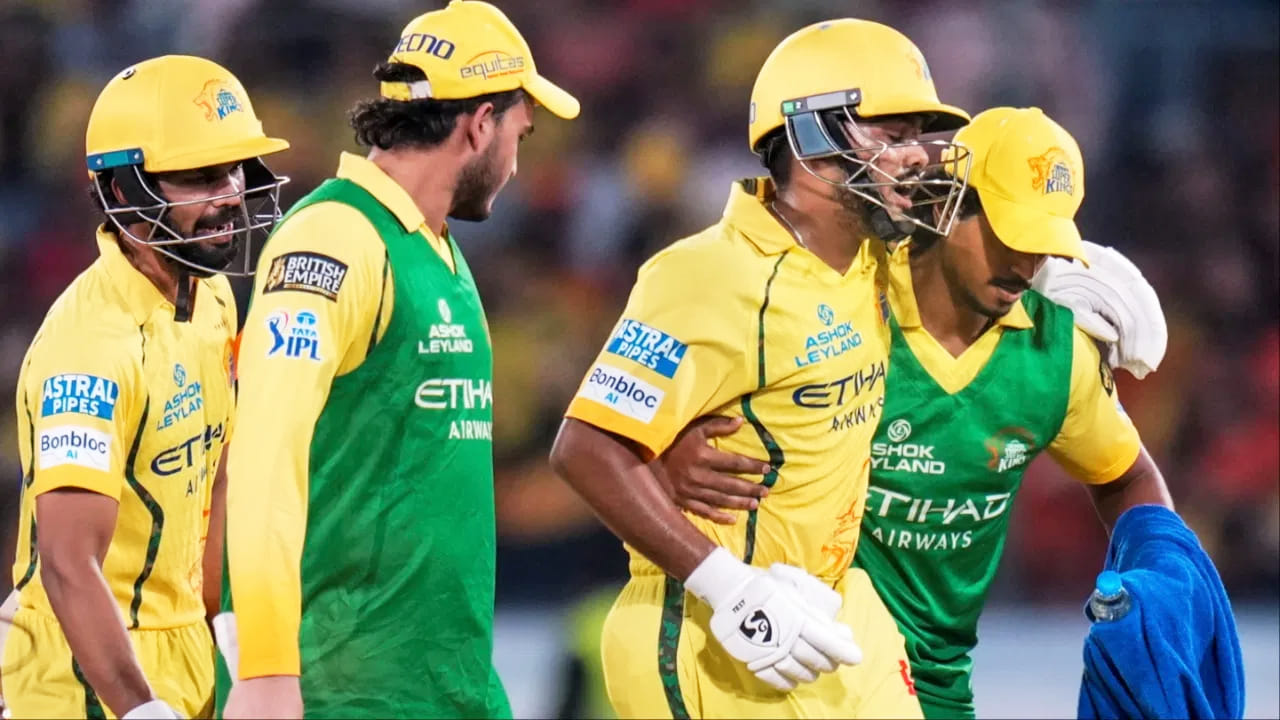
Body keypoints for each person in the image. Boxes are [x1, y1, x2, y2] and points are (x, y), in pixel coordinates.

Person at [660, 107, 1175, 719]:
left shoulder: (1055, 357)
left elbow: (1127, 476)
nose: (1025, 264)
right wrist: (667, 447)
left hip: (938, 683)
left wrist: (1162, 571)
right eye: (1009, 236)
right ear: (948, 204)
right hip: (800, 662)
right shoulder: (848, 295)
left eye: (1043, 245)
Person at [549, 18, 972, 719]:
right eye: (893, 134)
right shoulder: (709, 275)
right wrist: (732, 589)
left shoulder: (874, 256)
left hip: (835, 611)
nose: (916, 158)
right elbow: (586, 447)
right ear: (812, 133)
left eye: (918, 137)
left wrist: (1067, 270)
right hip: (713, 631)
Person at [217, 2, 579, 717]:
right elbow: (263, 454)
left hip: (447, 683)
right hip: (340, 688)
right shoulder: (333, 238)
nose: (516, 163)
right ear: (481, 123)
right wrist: (265, 668)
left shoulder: (436, 251)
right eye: (520, 134)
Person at [1, 54, 287, 719]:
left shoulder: (213, 298)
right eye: (200, 177)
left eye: (234, 170)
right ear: (124, 191)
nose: (230, 195)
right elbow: (69, 565)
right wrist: (138, 710)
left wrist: (227, 629)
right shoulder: (89, 349)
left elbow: (214, 484)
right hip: (83, 676)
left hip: (185, 654)